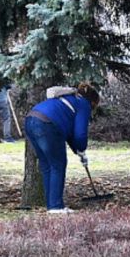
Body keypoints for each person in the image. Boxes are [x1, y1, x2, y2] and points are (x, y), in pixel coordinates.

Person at [24, 82, 100, 213]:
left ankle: (51, 205)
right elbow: (80, 134)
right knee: (58, 164)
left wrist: (79, 152)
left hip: (31, 120)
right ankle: (56, 207)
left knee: (47, 165)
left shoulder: (69, 99)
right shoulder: (83, 103)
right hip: (48, 124)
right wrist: (81, 148)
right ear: (92, 101)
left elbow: (70, 134)